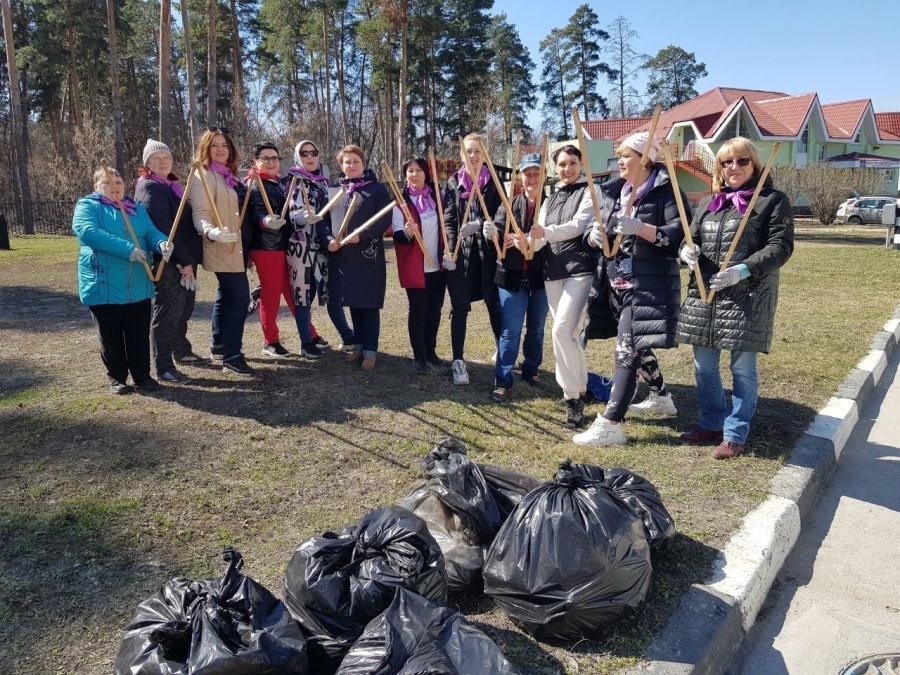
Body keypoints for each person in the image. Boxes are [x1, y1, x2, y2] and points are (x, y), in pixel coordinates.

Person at [676, 137, 794, 459]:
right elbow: (693, 239)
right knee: (704, 365)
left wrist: (742, 270)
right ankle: (712, 422)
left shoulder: (771, 201)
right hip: (705, 296)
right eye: (726, 162)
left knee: (742, 368)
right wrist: (686, 252)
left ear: (754, 164)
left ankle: (735, 433)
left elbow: (780, 247)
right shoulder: (708, 204)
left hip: (748, 296)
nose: (734, 167)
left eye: (742, 161)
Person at [573, 132, 687, 447]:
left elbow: (678, 236)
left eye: (626, 156)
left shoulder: (666, 192)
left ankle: (611, 422)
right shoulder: (613, 193)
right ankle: (661, 396)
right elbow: (600, 234)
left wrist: (642, 229)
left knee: (626, 349)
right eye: (619, 155)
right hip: (613, 284)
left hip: (647, 285)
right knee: (638, 345)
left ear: (645, 159)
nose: (620, 161)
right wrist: (593, 236)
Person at [72, 166, 171, 394]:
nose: (115, 186)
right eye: (107, 182)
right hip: (103, 282)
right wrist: (127, 249)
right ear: (97, 186)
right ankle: (117, 377)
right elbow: (87, 232)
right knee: (111, 334)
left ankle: (142, 376)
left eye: (118, 182)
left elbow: (151, 232)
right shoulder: (88, 206)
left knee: (138, 333)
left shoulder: (136, 208)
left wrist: (162, 243)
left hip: (137, 281)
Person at [524, 145, 598, 428]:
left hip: (580, 270)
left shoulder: (591, 191)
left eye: (572, 163)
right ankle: (580, 386)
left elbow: (579, 225)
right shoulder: (551, 198)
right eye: (562, 164)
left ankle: (572, 400)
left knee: (560, 330)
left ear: (581, 164)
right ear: (555, 168)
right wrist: (528, 243)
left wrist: (546, 233)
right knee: (568, 334)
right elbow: (540, 236)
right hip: (552, 272)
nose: (567, 169)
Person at [134, 139, 207, 383]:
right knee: (169, 312)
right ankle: (163, 365)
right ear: (147, 164)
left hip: (184, 257)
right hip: (168, 260)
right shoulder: (151, 187)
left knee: (184, 308)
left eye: (166, 157)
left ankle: (181, 351)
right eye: (156, 159)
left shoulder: (171, 186)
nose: (162, 161)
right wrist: (184, 261)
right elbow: (165, 227)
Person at [315, 145, 393, 371]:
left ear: (363, 163)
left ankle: (370, 350)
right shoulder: (335, 190)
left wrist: (363, 236)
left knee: (368, 304)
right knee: (353, 303)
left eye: (355, 161)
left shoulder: (376, 190)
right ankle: (358, 344)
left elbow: (384, 219)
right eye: (347, 162)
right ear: (341, 166)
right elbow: (322, 220)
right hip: (343, 257)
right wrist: (328, 239)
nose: (351, 166)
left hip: (368, 256)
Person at [190, 126, 253, 376]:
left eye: (224, 145)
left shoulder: (230, 176)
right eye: (214, 145)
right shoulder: (202, 175)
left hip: (237, 248)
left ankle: (219, 343)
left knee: (226, 295)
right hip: (221, 246)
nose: (219, 150)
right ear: (206, 149)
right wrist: (210, 231)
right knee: (239, 298)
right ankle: (232, 356)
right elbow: (201, 213)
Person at [442, 133, 504, 385]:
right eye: (469, 151)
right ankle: (458, 360)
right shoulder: (453, 183)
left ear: (485, 153)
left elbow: (503, 212)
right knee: (459, 307)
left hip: (488, 252)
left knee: (494, 303)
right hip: (463, 254)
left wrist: (483, 224)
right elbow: (449, 219)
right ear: (462, 154)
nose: (474, 156)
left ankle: (503, 352)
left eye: (478, 151)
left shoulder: (494, 181)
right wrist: (450, 250)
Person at [490, 152, 549, 403]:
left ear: (544, 176)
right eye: (527, 174)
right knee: (510, 331)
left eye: (537, 173)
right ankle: (502, 379)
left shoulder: (551, 205)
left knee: (536, 329)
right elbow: (501, 233)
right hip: (512, 275)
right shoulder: (509, 204)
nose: (532, 178)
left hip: (542, 277)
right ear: (520, 177)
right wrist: (493, 232)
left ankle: (531, 369)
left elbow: (553, 236)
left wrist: (525, 238)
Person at [285, 139, 350, 355]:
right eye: (304, 153)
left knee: (332, 291)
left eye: (313, 152)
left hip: (324, 245)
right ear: (297, 156)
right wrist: (303, 217)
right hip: (301, 247)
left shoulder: (324, 182)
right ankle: (306, 342)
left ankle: (347, 335)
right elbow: (289, 212)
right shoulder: (293, 181)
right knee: (304, 294)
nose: (310, 157)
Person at [246, 141, 303, 359]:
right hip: (265, 247)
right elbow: (258, 213)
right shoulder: (256, 184)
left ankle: (310, 334)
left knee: (291, 291)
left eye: (275, 158)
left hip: (280, 245)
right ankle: (270, 342)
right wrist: (266, 221)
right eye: (265, 158)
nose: (271, 162)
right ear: (256, 161)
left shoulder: (277, 183)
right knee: (270, 296)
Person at [391, 156, 446, 373]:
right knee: (418, 311)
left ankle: (431, 352)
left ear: (426, 173)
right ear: (405, 175)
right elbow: (397, 235)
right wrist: (408, 232)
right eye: (410, 171)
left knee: (435, 311)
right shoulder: (400, 203)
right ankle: (419, 356)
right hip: (416, 267)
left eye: (418, 170)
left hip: (438, 265)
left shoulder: (437, 198)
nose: (414, 174)